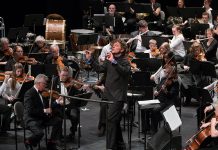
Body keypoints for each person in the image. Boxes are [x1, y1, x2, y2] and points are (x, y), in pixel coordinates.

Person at [85, 38, 131, 150]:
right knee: (114, 121)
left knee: (111, 120)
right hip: (107, 94)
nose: (112, 47)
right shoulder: (109, 58)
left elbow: (126, 72)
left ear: (122, 49)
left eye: (115, 45)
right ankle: (120, 145)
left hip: (117, 96)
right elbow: (100, 69)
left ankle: (110, 147)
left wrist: (114, 62)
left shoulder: (124, 61)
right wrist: (90, 60)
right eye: (112, 46)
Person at [23, 74, 62, 150]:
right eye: (44, 84)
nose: (46, 86)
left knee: (58, 120)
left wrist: (57, 102)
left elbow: (48, 106)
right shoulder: (29, 93)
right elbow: (30, 111)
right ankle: (28, 141)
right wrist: (44, 110)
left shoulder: (43, 93)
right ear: (38, 83)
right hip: (31, 119)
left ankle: (51, 142)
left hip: (41, 117)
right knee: (39, 133)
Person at [51, 66, 89, 140]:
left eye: (66, 75)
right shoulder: (54, 81)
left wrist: (83, 89)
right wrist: (58, 101)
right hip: (59, 105)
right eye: (63, 75)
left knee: (75, 114)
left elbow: (77, 94)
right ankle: (59, 135)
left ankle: (72, 132)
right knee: (58, 116)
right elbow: (51, 95)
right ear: (59, 73)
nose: (65, 77)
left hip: (70, 105)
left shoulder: (71, 82)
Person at [150, 63, 179, 135]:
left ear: (171, 73)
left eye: (166, 71)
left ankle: (154, 132)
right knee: (148, 108)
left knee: (154, 111)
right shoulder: (163, 79)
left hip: (167, 102)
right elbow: (158, 87)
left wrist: (165, 91)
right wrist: (156, 92)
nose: (165, 72)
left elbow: (172, 95)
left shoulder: (175, 82)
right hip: (159, 100)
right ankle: (150, 129)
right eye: (165, 71)